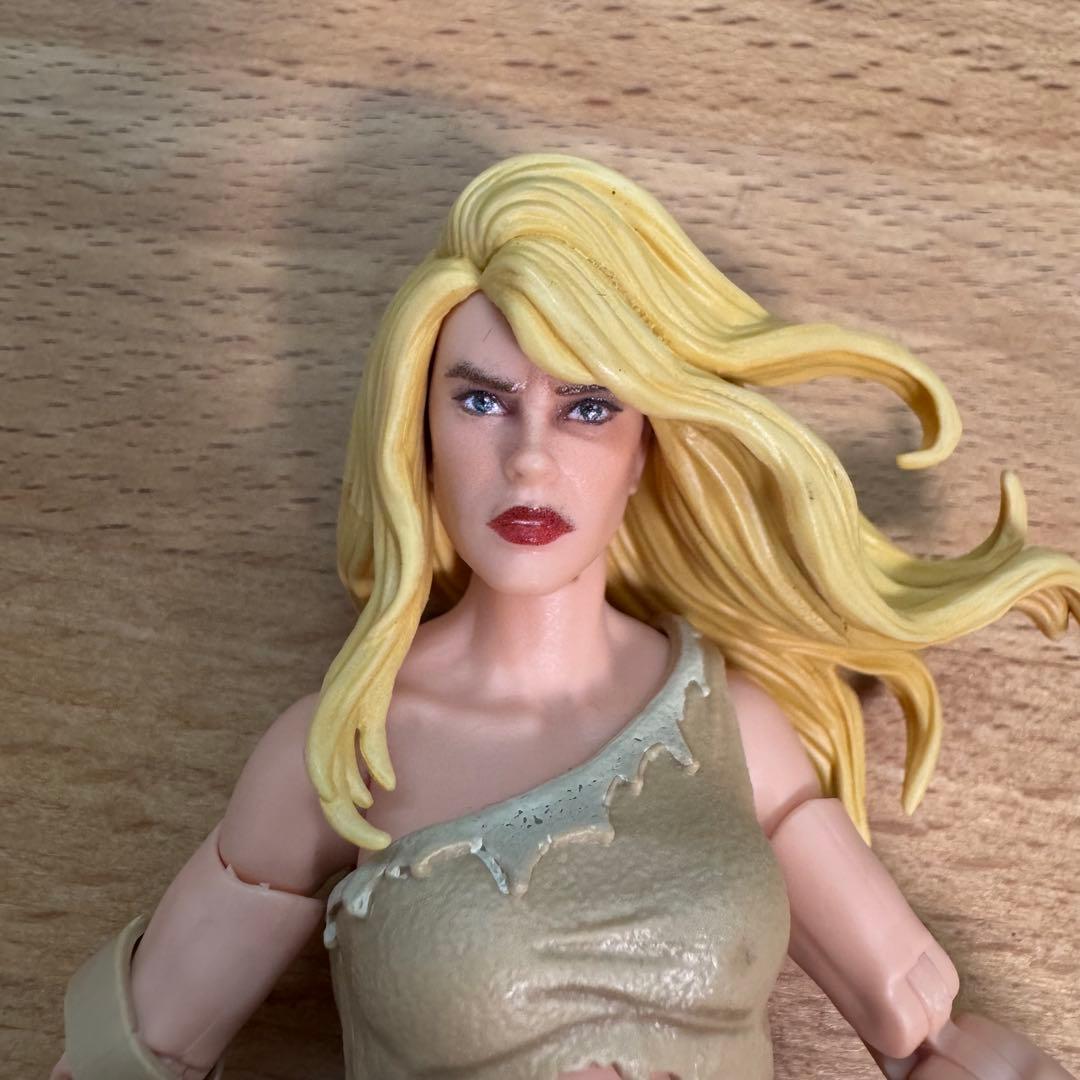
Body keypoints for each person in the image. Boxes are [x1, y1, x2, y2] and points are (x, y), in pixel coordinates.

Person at [54, 153, 1080, 1079]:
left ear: (644, 452)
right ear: (418, 432)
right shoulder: (341, 755)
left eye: (588, 408)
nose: (530, 459)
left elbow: (930, 1040)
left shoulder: (733, 732)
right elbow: (140, 1054)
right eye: (481, 401)